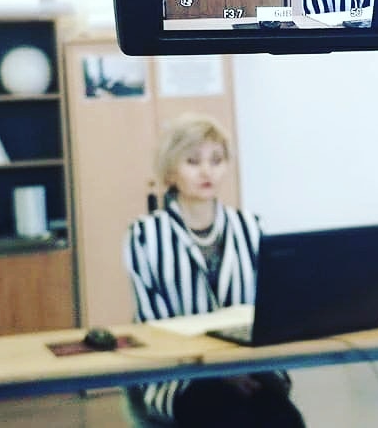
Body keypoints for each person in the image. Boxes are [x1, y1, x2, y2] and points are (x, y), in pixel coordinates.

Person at [123, 113, 305, 428]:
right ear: (171, 171)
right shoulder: (144, 235)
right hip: (181, 376)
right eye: (193, 161)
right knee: (227, 416)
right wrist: (221, 372)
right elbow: (154, 328)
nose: (207, 171)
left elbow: (269, 311)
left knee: (286, 420)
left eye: (216, 160)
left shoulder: (251, 226)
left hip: (252, 366)